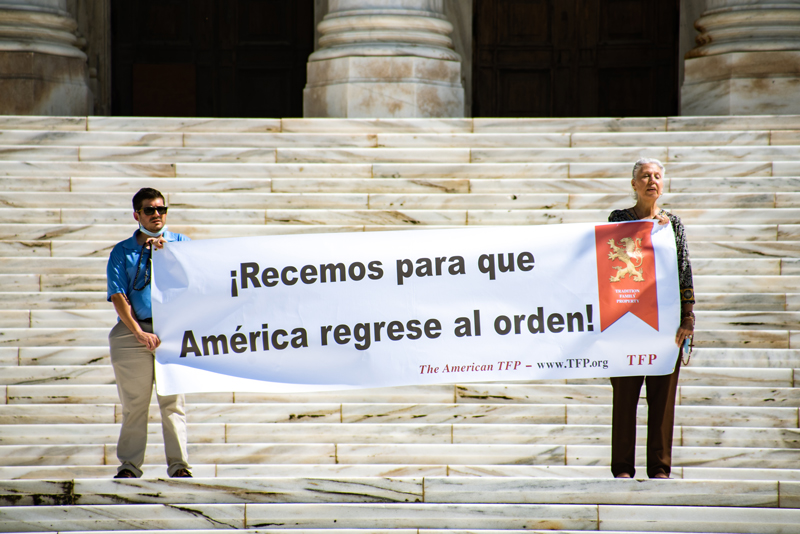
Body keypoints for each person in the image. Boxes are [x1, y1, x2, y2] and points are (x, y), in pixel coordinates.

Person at [608, 158, 695, 480]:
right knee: (625, 398)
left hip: (665, 322)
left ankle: (659, 468)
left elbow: (684, 272)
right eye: (645, 176)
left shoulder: (673, 225)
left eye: (657, 176)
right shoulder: (619, 220)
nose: (651, 181)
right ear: (634, 184)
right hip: (627, 321)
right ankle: (622, 468)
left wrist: (688, 318)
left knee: (662, 399)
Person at [106, 188, 192, 478]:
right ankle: (129, 466)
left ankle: (179, 465)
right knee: (134, 404)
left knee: (173, 403)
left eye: (161, 209)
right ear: (137, 215)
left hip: (172, 333)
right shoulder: (122, 250)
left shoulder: (182, 244)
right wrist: (138, 333)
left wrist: (171, 255)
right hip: (134, 332)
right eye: (149, 210)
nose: (157, 214)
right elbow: (118, 295)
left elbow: (199, 282)